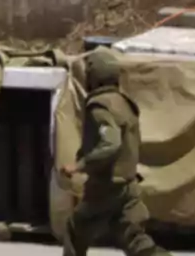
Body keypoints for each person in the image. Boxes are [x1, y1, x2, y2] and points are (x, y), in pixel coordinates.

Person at [59, 47, 170, 256]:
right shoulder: (125, 104)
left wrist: (79, 165)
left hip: (106, 186)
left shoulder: (99, 106)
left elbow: (110, 143)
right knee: (134, 238)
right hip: (128, 184)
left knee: (76, 230)